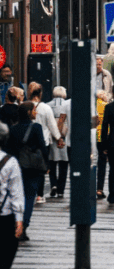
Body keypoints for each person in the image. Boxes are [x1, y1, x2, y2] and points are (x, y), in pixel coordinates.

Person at [3, 103, 44, 241]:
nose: (36, 112)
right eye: (34, 110)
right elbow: (42, 147)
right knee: (29, 197)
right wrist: (47, 165)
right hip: (33, 167)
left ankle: (15, 224)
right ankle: (24, 227)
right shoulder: (36, 128)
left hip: (17, 167)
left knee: (15, 195)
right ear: (28, 112)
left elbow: (8, 149)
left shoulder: (13, 129)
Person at [0, 121, 24, 267]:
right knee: (6, 254)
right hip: (5, 214)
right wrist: (19, 219)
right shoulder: (10, 162)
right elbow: (16, 193)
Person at [46, 87, 69, 199]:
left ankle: (53, 184)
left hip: (52, 136)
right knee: (64, 165)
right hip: (65, 137)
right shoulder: (67, 104)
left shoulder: (47, 105)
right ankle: (61, 190)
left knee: (52, 163)